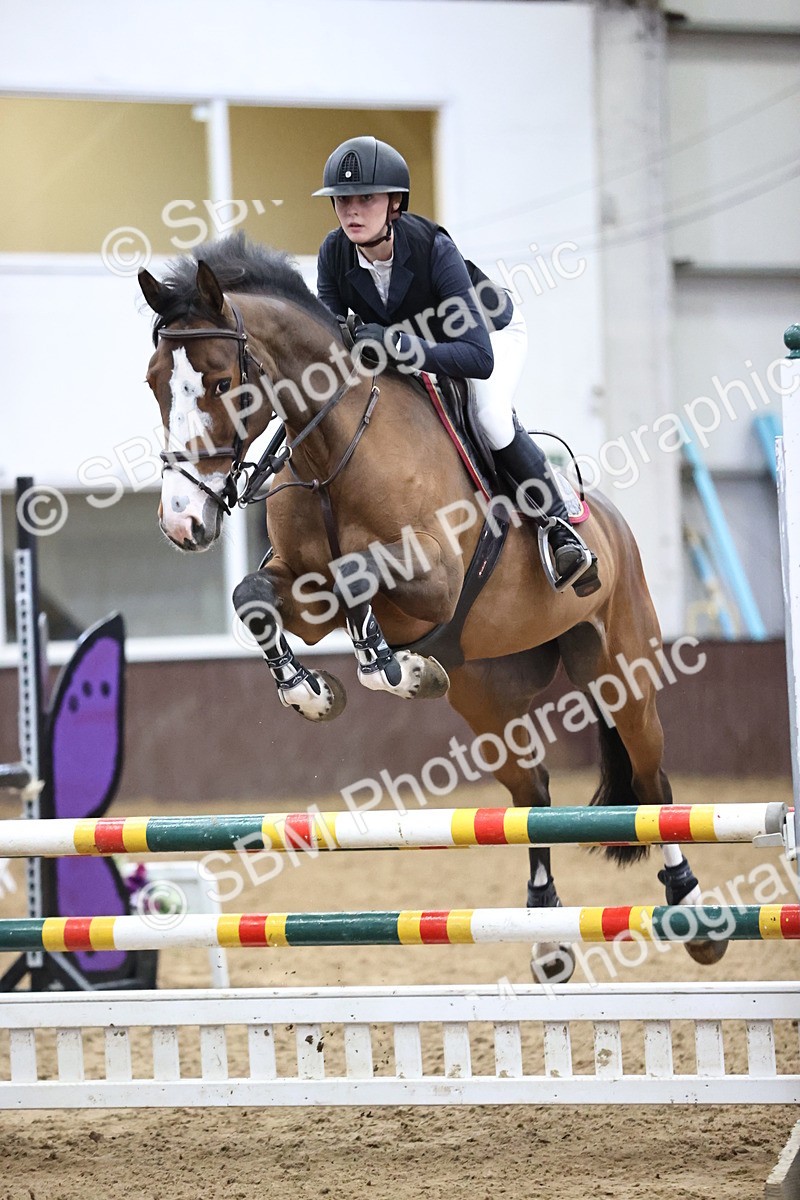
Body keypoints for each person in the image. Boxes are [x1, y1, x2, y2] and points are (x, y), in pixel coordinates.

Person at [314, 135, 599, 593]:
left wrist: (398, 344)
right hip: (419, 351)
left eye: (366, 198)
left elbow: (477, 358)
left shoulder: (433, 248)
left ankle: (559, 526)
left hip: (491, 335)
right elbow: (329, 339)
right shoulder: (333, 254)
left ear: (394, 204)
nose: (352, 210)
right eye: (343, 200)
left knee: (488, 415)